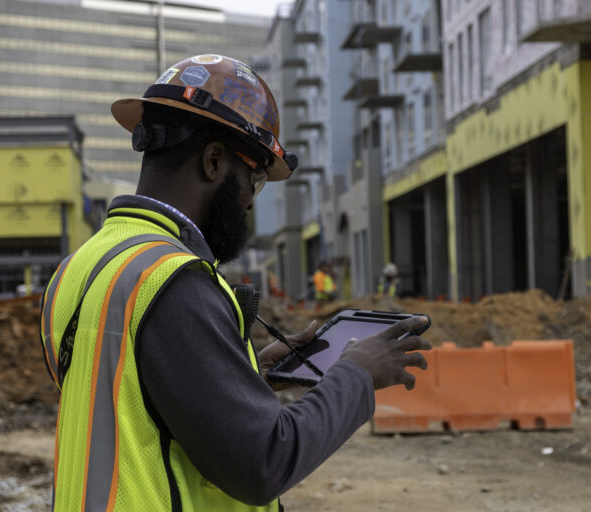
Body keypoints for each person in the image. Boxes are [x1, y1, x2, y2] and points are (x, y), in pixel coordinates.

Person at [39, 55, 430, 511]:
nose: (249, 201)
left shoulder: (78, 269)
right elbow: (264, 461)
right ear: (214, 161)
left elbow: (132, 404)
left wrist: (246, 375)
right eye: (255, 178)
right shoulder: (173, 281)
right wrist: (356, 374)